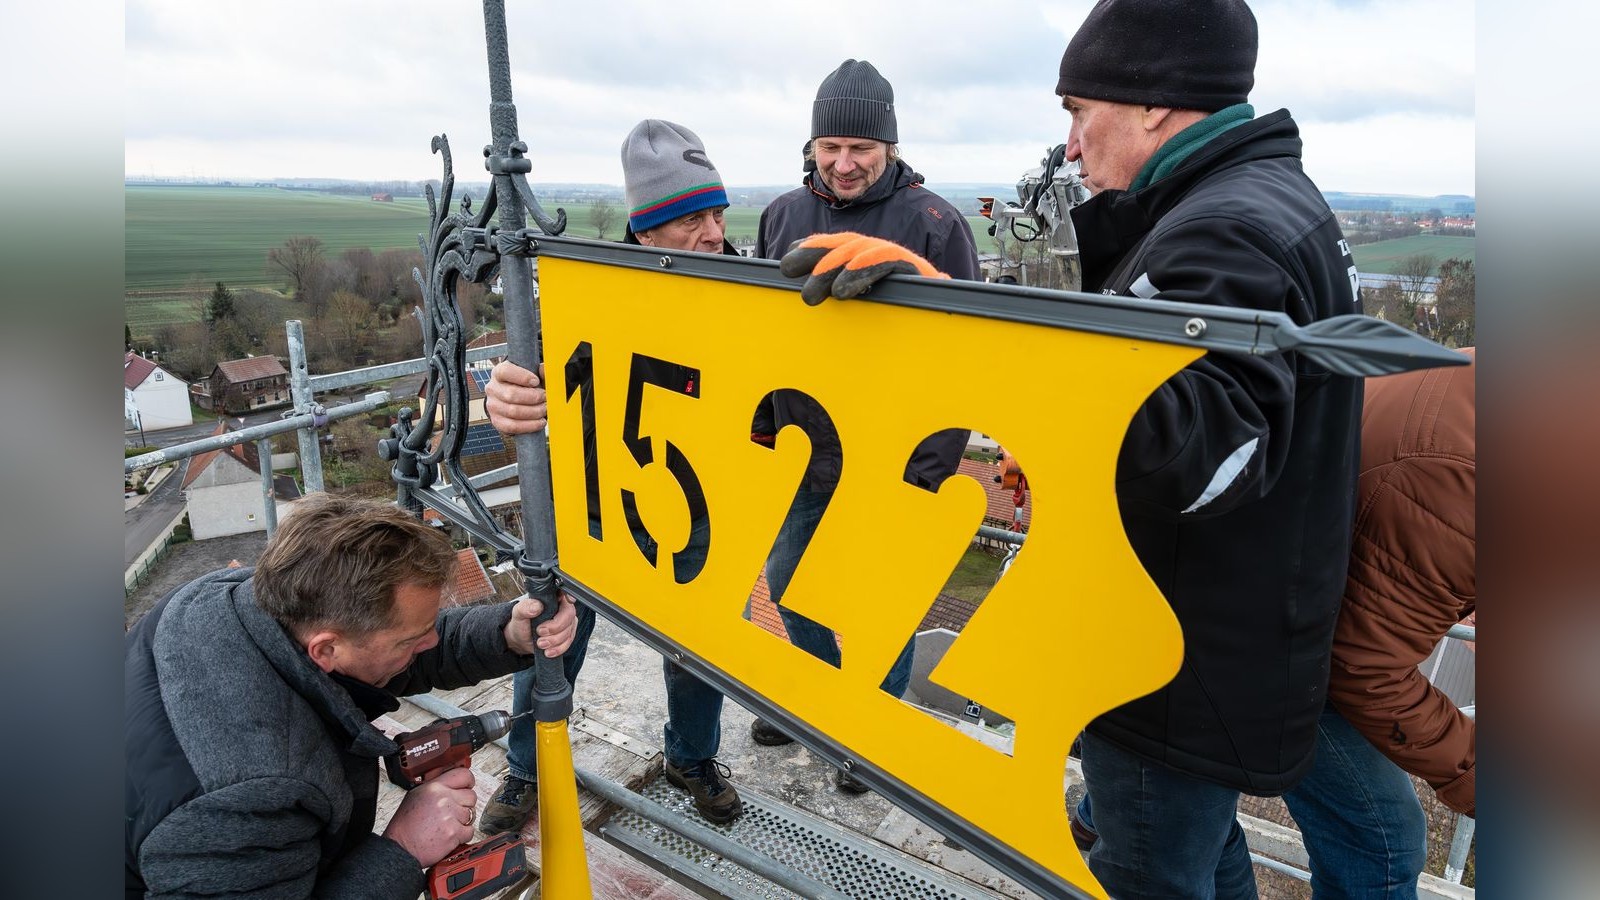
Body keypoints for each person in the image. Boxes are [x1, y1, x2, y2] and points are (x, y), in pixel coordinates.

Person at [781, 1, 1365, 893]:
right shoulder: (1253, 203)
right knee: (1202, 859)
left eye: (1077, 113)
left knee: (1147, 875)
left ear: (1155, 107)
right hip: (1209, 642)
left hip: (1165, 658)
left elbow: (1184, 463)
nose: (1072, 146)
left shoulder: (1226, 228)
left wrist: (959, 321)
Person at [480, 119, 745, 832]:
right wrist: (498, 394)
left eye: (718, 214)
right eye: (693, 219)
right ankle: (525, 767)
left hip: (693, 506)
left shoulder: (746, 294)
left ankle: (691, 758)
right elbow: (521, 372)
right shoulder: (588, 296)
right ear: (647, 227)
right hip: (593, 502)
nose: (714, 233)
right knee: (553, 633)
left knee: (696, 648)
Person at [125, 493, 580, 899]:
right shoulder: (251, 797)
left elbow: (381, 649)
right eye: (411, 639)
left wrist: (506, 633)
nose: (429, 643)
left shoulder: (229, 600)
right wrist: (403, 848)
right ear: (325, 650)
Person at [749, 59, 981, 792]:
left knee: (884, 609)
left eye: (862, 149)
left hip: (896, 458)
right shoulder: (783, 216)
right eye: (831, 148)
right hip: (807, 450)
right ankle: (826, 699)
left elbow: (971, 353)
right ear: (813, 144)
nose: (845, 165)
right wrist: (762, 429)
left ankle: (870, 735)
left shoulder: (935, 224)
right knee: (786, 584)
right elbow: (761, 336)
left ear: (889, 147)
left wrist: (929, 465)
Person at [1279, 348, 1476, 898]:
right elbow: (1364, 667)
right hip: (1274, 631)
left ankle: (1116, 808)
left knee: (1191, 814)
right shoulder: (1464, 484)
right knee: (1381, 841)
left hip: (1282, 590)